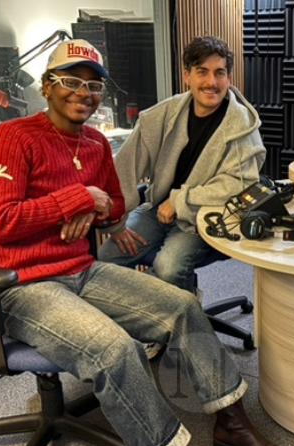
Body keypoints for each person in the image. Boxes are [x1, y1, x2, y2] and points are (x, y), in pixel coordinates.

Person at [0, 38, 289, 446]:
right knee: (117, 350)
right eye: (71, 82)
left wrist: (99, 207)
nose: (83, 93)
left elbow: (115, 205)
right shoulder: (10, 136)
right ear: (47, 85)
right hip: (23, 284)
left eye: (93, 86)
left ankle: (231, 425)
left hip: (81, 270)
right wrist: (80, 198)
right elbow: (1, 223)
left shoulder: (94, 143)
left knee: (182, 306)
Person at [98, 36, 265, 291]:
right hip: (156, 210)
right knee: (106, 258)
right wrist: (116, 223)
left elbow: (239, 186)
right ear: (187, 76)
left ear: (228, 78)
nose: (211, 82)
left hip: (203, 217)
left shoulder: (242, 126)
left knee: (168, 268)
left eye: (219, 73)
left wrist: (179, 201)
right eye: (202, 72)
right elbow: (124, 168)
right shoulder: (162, 115)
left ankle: (186, 312)